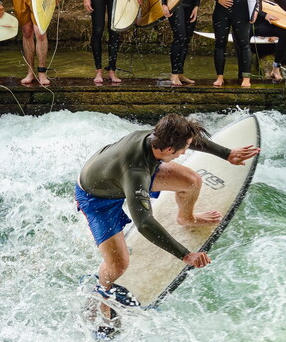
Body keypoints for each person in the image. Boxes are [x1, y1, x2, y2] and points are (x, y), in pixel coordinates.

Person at [75, 113, 260, 321]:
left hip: (117, 173)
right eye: (182, 150)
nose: (184, 153)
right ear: (169, 149)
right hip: (97, 198)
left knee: (191, 181)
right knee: (118, 265)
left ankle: (186, 217)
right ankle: (99, 295)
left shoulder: (157, 138)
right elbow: (144, 223)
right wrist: (185, 255)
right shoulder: (137, 171)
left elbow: (188, 141)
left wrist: (227, 154)